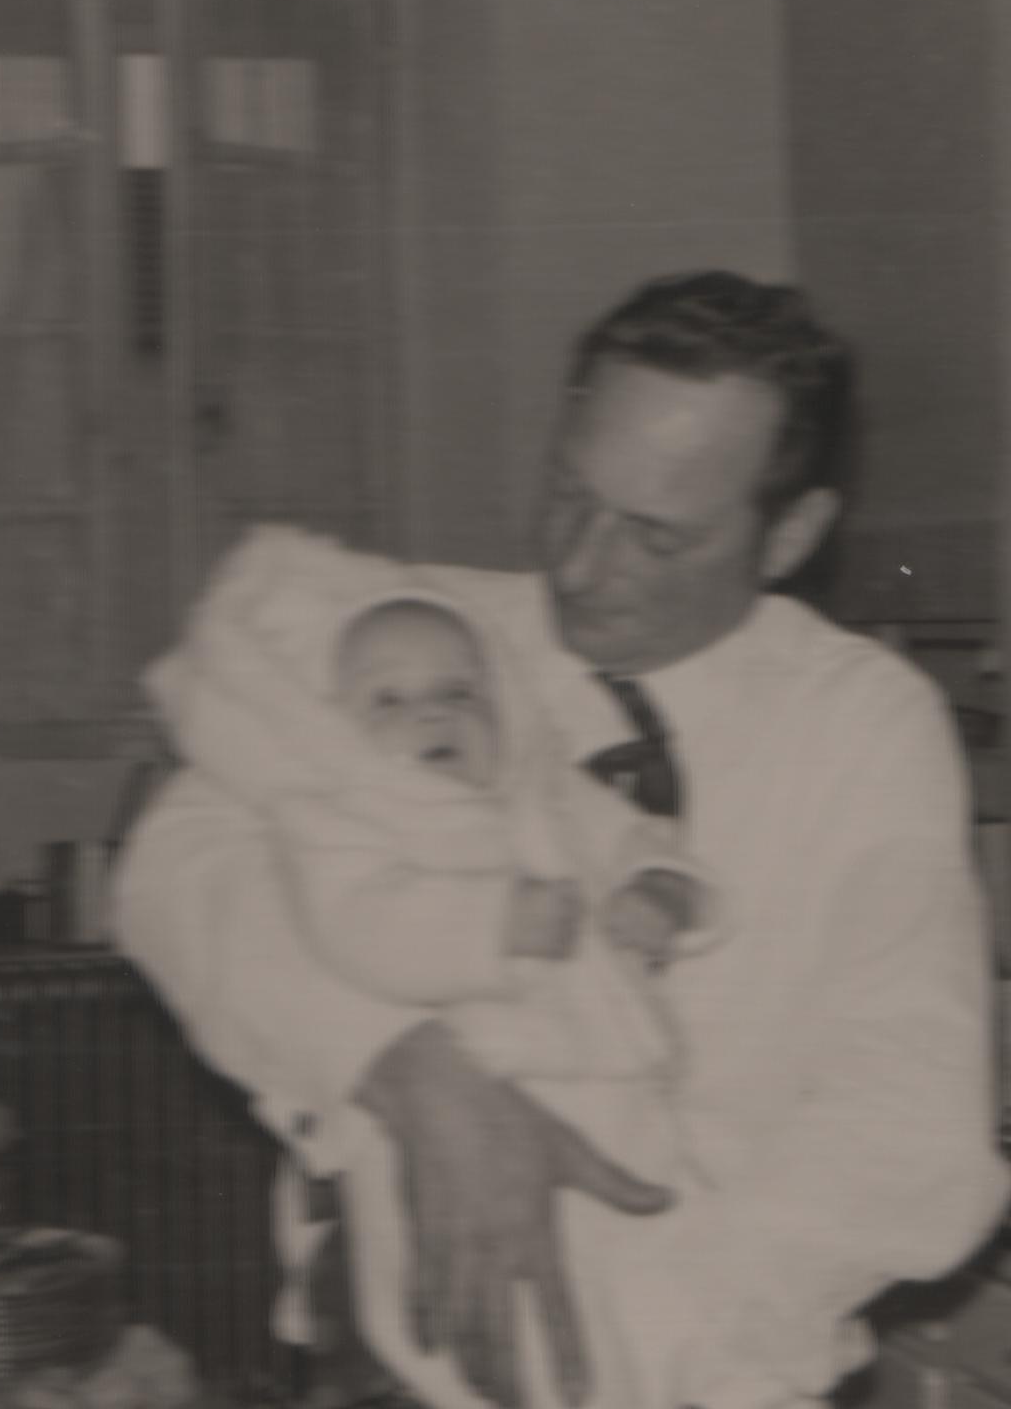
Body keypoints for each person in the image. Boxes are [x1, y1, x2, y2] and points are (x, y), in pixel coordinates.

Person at [113, 270, 1011, 1409]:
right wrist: (401, 1068)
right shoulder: (424, 639)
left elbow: (910, 1116)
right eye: (568, 493)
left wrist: (664, 1334)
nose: (581, 568)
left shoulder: (864, 726)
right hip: (390, 1363)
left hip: (714, 1366)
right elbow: (172, 861)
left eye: (654, 538)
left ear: (790, 533)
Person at [144, 548, 717, 1409]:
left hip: (611, 1088)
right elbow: (356, 922)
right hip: (452, 1097)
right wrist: (489, 927)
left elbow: (632, 839)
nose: (432, 714)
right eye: (389, 701)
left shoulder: (544, 792)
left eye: (458, 693)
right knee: (463, 1315)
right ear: (334, 730)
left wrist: (663, 887)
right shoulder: (343, 817)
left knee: (647, 1299)